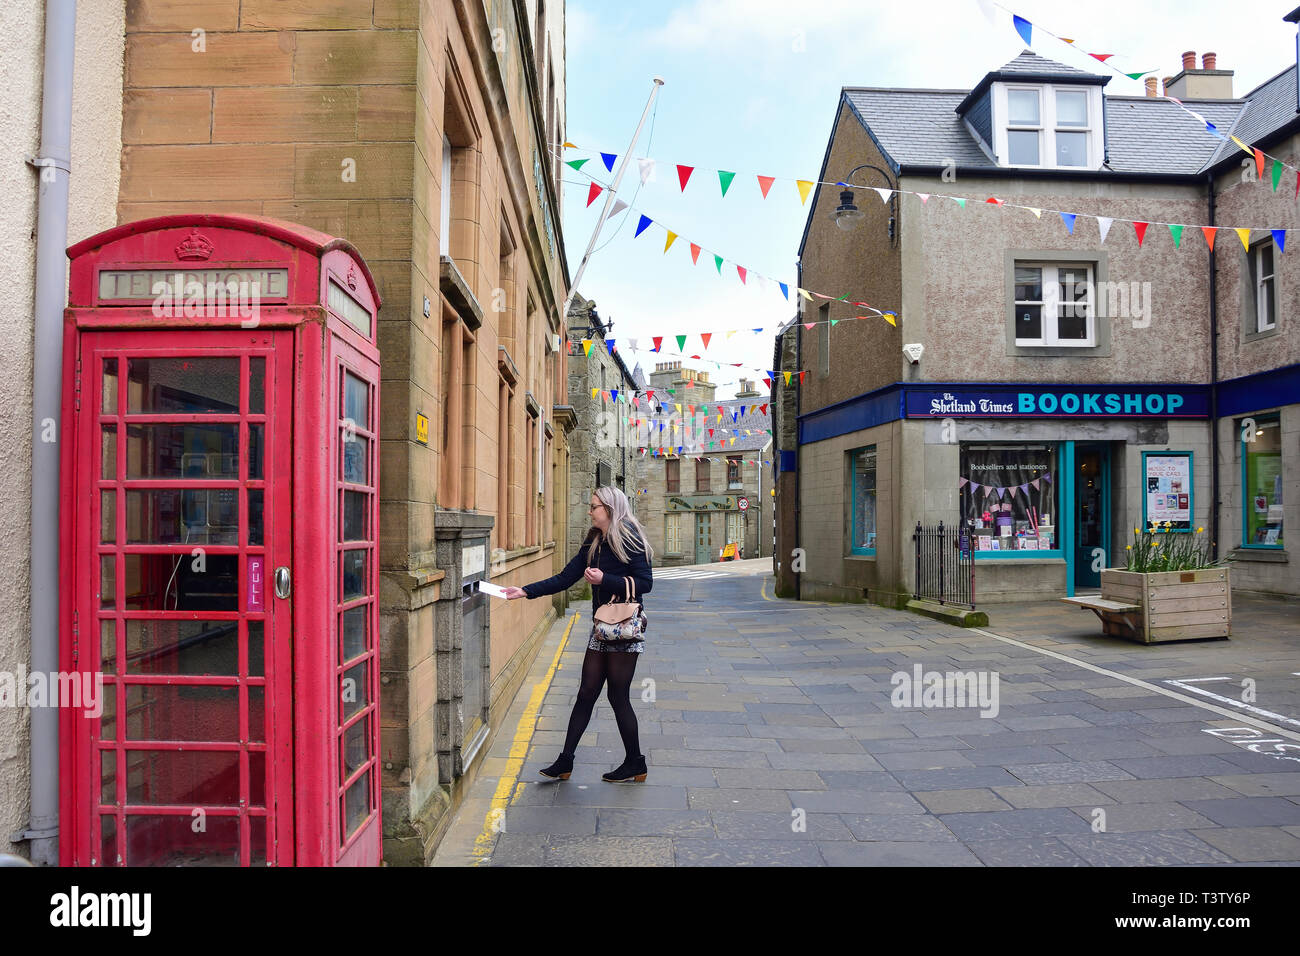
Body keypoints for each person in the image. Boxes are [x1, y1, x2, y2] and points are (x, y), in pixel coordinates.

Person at [503, 486, 654, 783]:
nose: (590, 510)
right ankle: (565, 760)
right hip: (600, 629)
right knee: (586, 692)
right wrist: (524, 591)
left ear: (609, 509)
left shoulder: (630, 538)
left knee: (617, 696)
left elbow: (645, 583)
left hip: (624, 628)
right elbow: (565, 577)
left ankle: (635, 762)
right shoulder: (593, 541)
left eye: (594, 506)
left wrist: (605, 580)